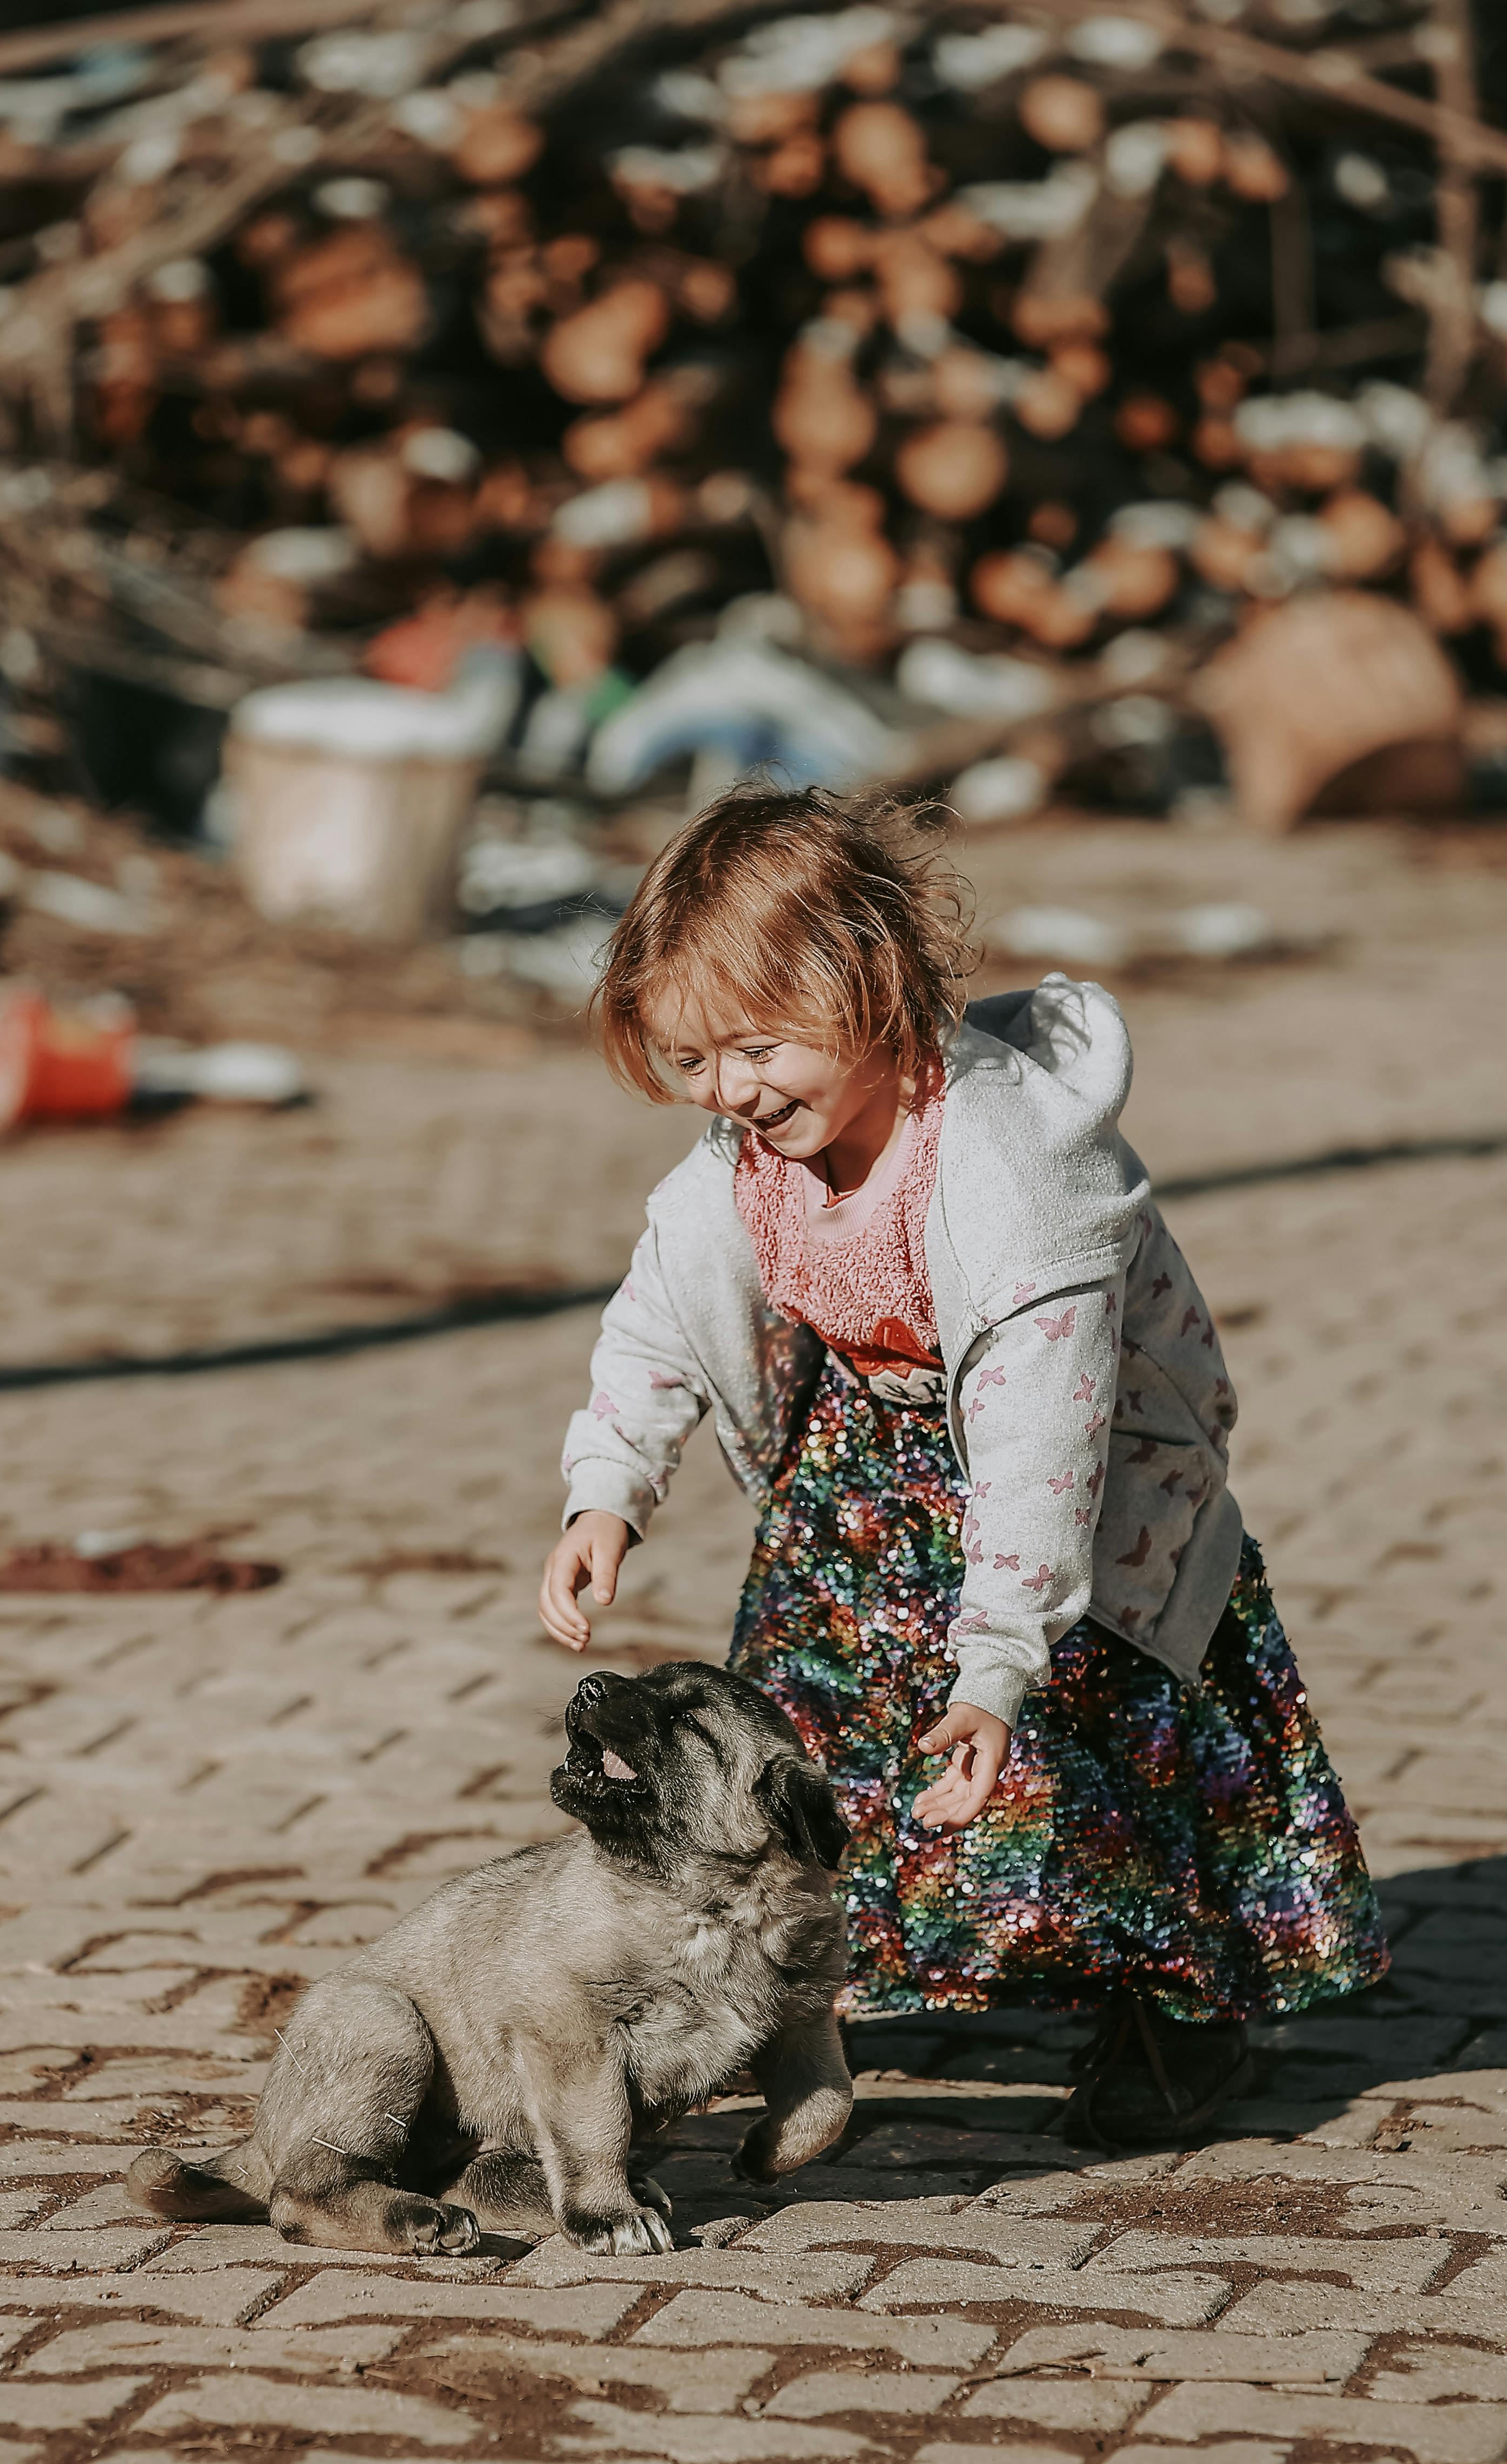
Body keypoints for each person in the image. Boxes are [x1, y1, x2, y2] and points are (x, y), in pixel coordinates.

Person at [537, 785, 1386, 2143]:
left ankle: (1172, 2007)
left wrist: (998, 1660)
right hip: (864, 1495)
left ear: (870, 989)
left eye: (759, 1048)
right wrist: (607, 1488)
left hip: (1072, 1507)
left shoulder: (1010, 1175)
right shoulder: (741, 1156)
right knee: (825, 1733)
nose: (732, 1092)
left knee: (1090, 1749)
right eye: (696, 1061)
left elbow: (1044, 1443)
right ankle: (823, 1976)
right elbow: (662, 1315)